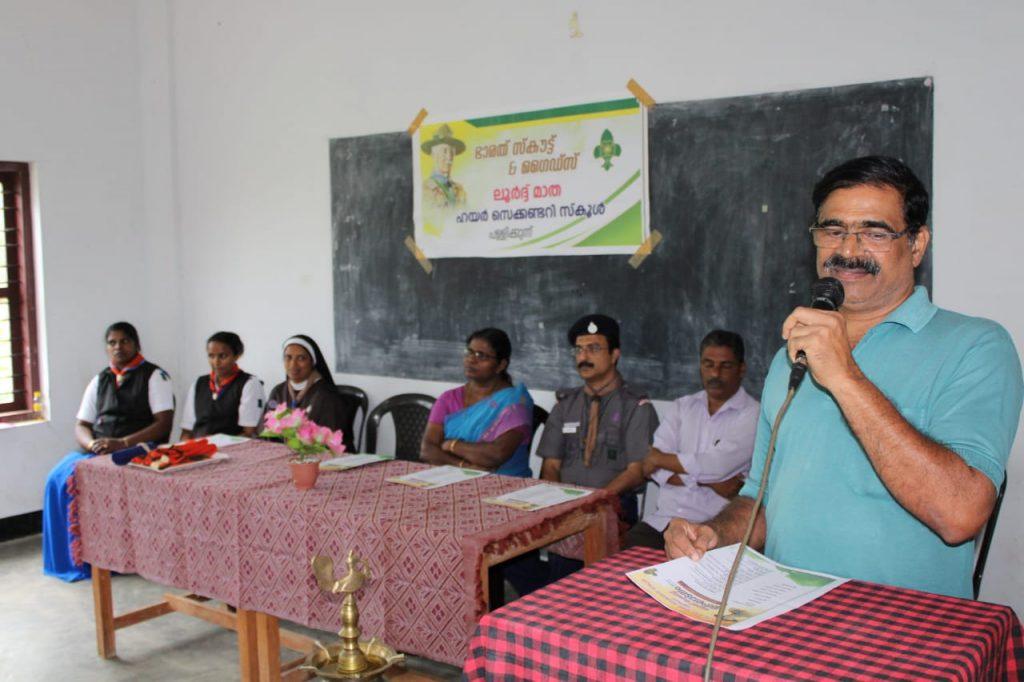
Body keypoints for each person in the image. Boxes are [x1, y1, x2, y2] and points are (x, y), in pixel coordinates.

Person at [665, 155, 1023, 598]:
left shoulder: (976, 346)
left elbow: (960, 515)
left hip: (907, 624)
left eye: (875, 233)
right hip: (783, 609)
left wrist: (845, 375)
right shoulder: (790, 357)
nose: (849, 251)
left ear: (916, 244)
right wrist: (715, 534)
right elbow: (761, 498)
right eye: (833, 230)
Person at [42, 322, 174, 581]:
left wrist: (123, 443)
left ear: (136, 344)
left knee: (90, 479)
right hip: (100, 449)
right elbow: (82, 424)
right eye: (112, 342)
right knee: (57, 477)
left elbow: (163, 423)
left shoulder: (155, 376)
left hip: (137, 448)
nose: (118, 347)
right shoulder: (100, 379)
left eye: (124, 341)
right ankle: (71, 559)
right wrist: (92, 444)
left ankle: (108, 558)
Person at [538, 314, 659, 578]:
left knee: (601, 587)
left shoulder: (636, 405)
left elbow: (637, 470)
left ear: (615, 354)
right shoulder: (565, 404)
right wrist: (561, 504)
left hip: (612, 507)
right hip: (566, 506)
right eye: (579, 349)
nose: (583, 356)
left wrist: (595, 502)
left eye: (593, 348)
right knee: (560, 587)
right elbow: (551, 465)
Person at [625, 330, 759, 550]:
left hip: (715, 528)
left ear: (741, 368)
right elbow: (652, 467)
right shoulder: (682, 407)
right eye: (708, 364)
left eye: (725, 366)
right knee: (621, 559)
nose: (715, 373)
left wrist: (662, 459)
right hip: (662, 522)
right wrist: (712, 481)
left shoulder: (754, 414)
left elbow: (718, 465)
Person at [420, 328, 534, 476]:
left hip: (506, 482)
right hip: (452, 479)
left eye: (481, 355)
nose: (471, 360)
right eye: (469, 352)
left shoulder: (516, 402)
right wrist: (464, 466)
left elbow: (496, 454)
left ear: (501, 365)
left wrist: (451, 445)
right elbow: (427, 450)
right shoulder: (448, 398)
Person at [264, 334, 358, 453]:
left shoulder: (327, 396)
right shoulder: (278, 391)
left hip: (321, 458)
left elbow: (330, 443)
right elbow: (267, 433)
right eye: (288, 357)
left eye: (301, 358)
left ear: (313, 362)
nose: (293, 364)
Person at [179, 331, 266, 439]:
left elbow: (248, 433)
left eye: (223, 356)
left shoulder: (249, 383)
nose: (216, 362)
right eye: (211, 356)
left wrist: (213, 446)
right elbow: (187, 431)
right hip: (199, 446)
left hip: (234, 447)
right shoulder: (199, 383)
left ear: (237, 355)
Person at [421, 124, 467, 208]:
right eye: (444, 151)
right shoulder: (423, 190)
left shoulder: (460, 190)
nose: (449, 157)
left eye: (452, 152)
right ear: (433, 154)